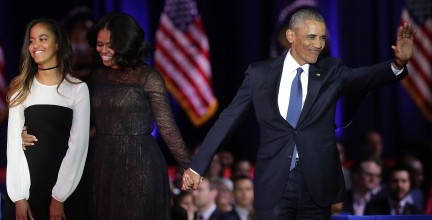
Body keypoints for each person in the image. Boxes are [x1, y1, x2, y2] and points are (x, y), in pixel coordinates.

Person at [182, 8, 415, 220]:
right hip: (275, 184)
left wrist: (396, 64)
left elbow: (365, 76)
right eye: (311, 37)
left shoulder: (331, 71)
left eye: (322, 37)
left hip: (317, 186)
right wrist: (197, 167)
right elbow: (228, 120)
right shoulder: (259, 74)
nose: (318, 44)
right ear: (291, 36)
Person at [84, 12, 191, 219]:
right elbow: (81, 124)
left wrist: (190, 166)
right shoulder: (96, 76)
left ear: (126, 43)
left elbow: (167, 127)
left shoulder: (148, 77)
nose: (103, 51)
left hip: (140, 162)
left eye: (109, 45)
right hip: (101, 162)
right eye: (99, 44)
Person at [6, 18, 90, 219]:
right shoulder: (20, 88)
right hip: (29, 187)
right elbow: (13, 147)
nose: (35, 46)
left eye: (42, 39)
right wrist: (19, 197)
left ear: (58, 43)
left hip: (67, 187)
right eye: (32, 40)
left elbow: (78, 147)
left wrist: (59, 198)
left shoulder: (77, 89)